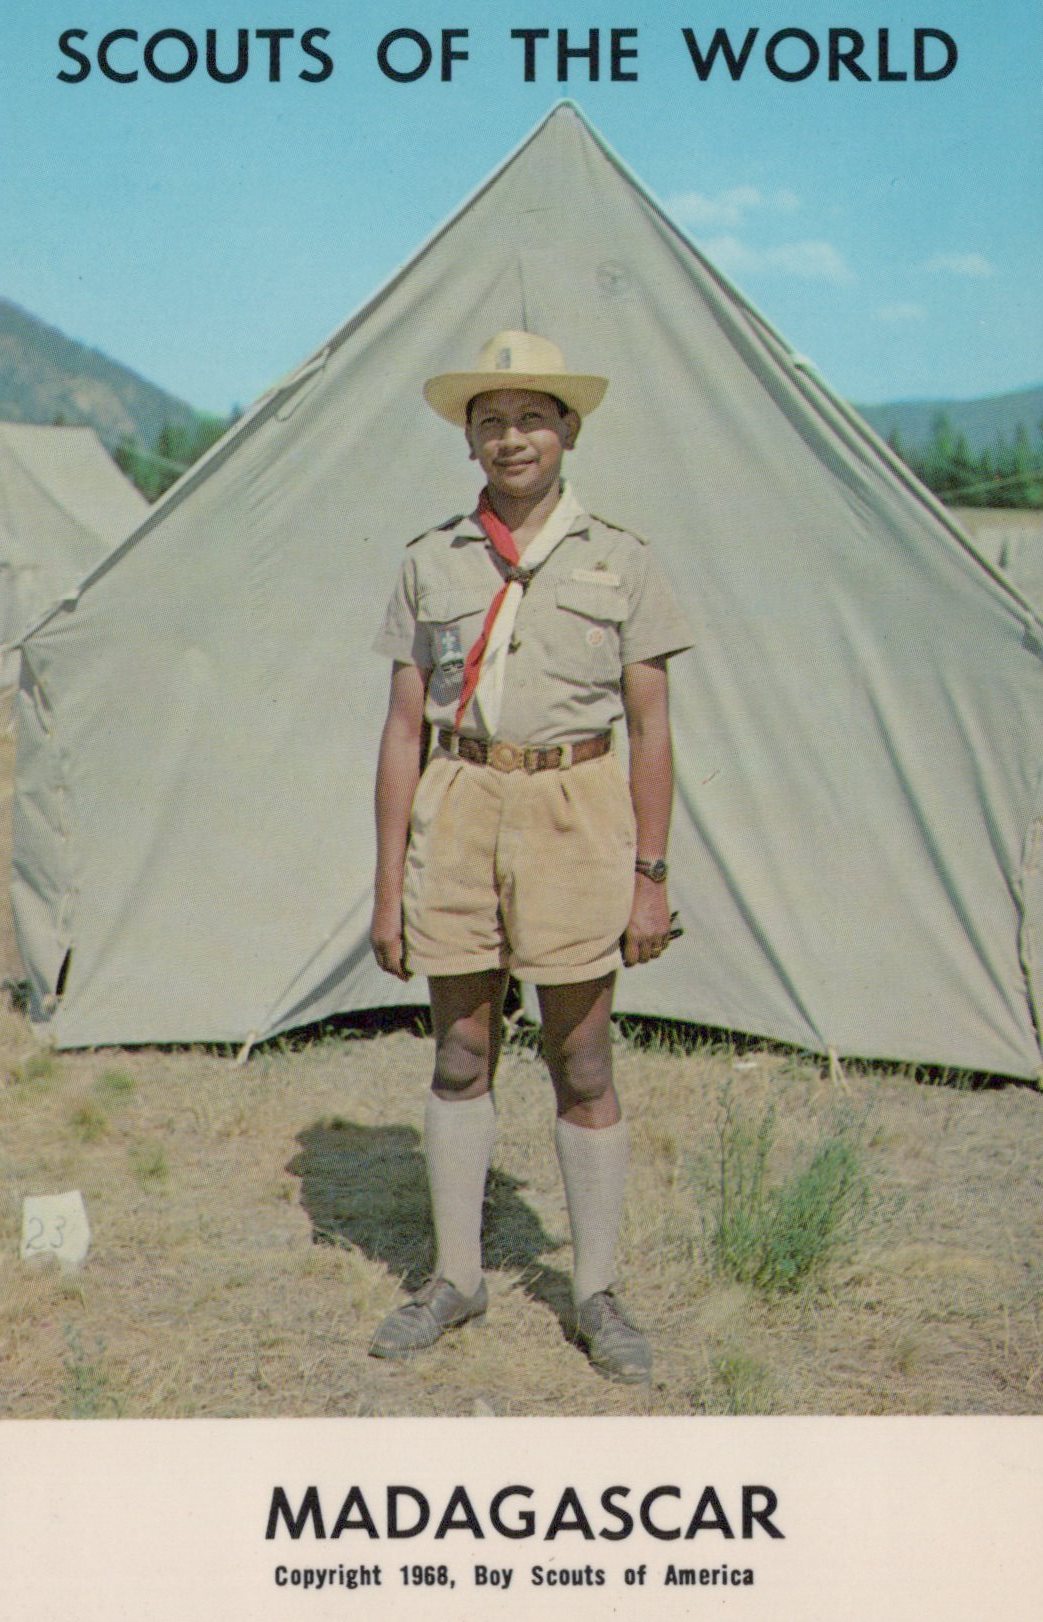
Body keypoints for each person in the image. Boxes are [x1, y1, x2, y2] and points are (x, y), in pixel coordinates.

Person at [368, 331, 691, 1382]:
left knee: (581, 1059)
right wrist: (387, 889)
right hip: (458, 805)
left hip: (575, 808)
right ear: (469, 441)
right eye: (491, 421)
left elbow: (651, 727)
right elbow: (401, 728)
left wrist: (649, 874)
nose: (513, 437)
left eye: (533, 417)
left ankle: (593, 1288)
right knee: (460, 1053)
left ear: (568, 433)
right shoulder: (430, 559)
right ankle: (455, 1275)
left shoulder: (622, 558)